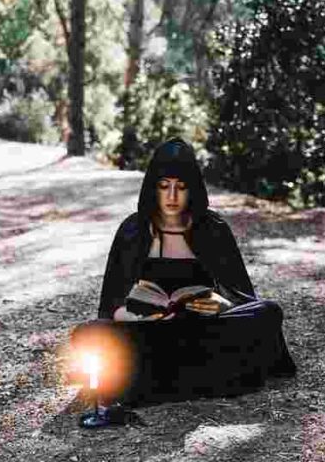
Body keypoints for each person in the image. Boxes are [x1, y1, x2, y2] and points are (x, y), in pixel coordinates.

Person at [71, 138, 296, 408]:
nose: (172, 197)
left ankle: (151, 378)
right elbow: (111, 305)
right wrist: (135, 316)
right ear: (153, 189)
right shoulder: (133, 231)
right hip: (149, 334)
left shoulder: (213, 228)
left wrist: (222, 305)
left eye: (181, 187)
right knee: (89, 333)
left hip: (203, 332)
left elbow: (243, 296)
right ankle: (202, 376)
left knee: (268, 312)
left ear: (193, 190)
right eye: (164, 187)